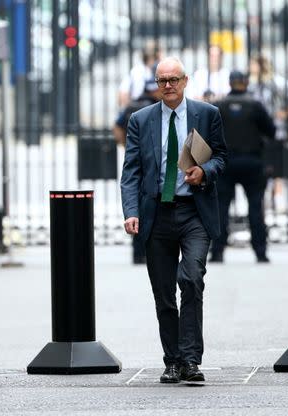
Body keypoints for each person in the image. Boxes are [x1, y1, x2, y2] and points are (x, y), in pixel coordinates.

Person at [120, 56, 227, 383]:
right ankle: (173, 360)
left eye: (174, 79)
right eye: (162, 80)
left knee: (192, 278)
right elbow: (131, 171)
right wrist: (131, 212)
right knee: (164, 292)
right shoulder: (141, 119)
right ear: (156, 84)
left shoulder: (207, 114)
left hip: (194, 210)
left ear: (185, 81)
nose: (168, 85)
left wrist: (204, 172)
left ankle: (191, 360)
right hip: (157, 214)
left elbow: (221, 157)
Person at [211, 70, 276, 263]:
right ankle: (260, 252)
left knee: (221, 208)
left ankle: (217, 252)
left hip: (226, 162)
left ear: (230, 83)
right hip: (252, 162)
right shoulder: (255, 105)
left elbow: (210, 133)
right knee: (256, 208)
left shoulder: (219, 105)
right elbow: (271, 131)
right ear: (246, 83)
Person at [113, 77, 161, 264]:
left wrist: (125, 145)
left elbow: (117, 127)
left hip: (135, 158)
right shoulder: (155, 108)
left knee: (138, 206)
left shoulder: (131, 107)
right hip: (152, 161)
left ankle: (138, 252)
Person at [247, 54, 288, 212]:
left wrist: (286, 112)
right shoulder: (252, 84)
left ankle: (277, 197)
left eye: (253, 64)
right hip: (258, 132)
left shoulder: (277, 82)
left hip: (277, 130)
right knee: (263, 165)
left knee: (277, 165)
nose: (250, 68)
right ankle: (266, 198)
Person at [117, 41, 161, 108]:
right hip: (144, 109)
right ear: (157, 55)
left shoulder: (135, 70)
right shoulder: (150, 71)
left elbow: (122, 96)